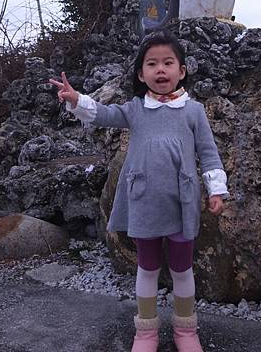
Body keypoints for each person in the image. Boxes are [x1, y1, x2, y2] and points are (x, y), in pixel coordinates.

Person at [49, 29, 228, 352]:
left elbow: (209, 152)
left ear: (181, 71)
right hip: (143, 202)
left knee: (182, 269)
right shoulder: (135, 109)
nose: (161, 70)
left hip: (183, 202)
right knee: (147, 268)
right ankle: (145, 332)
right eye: (152, 64)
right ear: (141, 74)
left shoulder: (194, 111)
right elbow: (103, 115)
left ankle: (186, 330)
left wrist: (216, 190)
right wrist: (76, 100)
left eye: (168, 63)